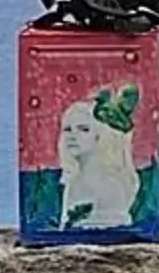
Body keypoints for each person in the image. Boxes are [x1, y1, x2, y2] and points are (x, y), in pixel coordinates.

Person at [56, 85, 144, 230]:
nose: (72, 136)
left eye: (83, 129)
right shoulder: (74, 183)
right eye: (67, 129)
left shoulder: (111, 185)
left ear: (99, 135)